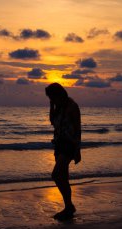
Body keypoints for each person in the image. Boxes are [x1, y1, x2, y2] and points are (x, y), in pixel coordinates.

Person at [45, 83, 81, 221]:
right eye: (49, 98)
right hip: (59, 145)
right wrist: (51, 106)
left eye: (52, 97)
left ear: (58, 94)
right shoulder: (58, 107)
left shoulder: (72, 106)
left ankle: (69, 206)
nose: (51, 100)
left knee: (56, 175)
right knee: (64, 177)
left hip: (69, 145)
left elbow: (78, 129)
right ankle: (68, 208)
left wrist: (77, 150)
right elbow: (52, 122)